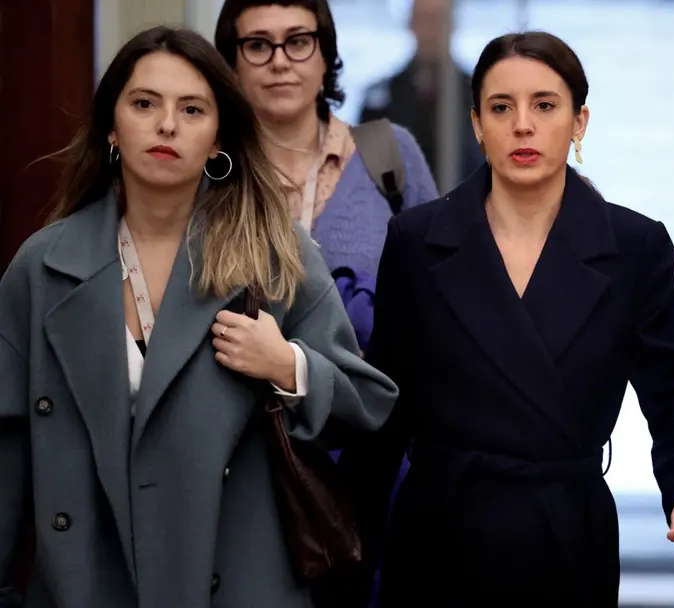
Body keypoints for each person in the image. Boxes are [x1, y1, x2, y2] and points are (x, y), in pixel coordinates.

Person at [0, 26, 397, 608]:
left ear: (217, 140)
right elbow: (7, 445)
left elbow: (368, 405)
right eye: (144, 104)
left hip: (237, 582)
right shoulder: (43, 267)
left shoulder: (270, 252)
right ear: (112, 128)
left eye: (192, 109)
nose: (167, 125)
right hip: (86, 582)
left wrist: (287, 364)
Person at [338, 31, 674, 607]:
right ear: (477, 124)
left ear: (579, 122)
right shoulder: (417, 241)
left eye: (544, 105)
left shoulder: (633, 246)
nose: (523, 125)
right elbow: (386, 409)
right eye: (502, 108)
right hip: (439, 540)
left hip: (565, 538)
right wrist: (348, 551)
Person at [214, 0, 438, 350]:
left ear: (325, 57)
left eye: (298, 42)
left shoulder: (390, 153)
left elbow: (439, 300)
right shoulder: (214, 170)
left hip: (374, 384)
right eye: (258, 45)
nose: (279, 61)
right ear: (232, 66)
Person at [358, 0, 483, 188]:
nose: (431, 31)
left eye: (438, 20)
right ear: (410, 24)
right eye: (424, 20)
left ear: (452, 24)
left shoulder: (480, 96)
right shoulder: (381, 99)